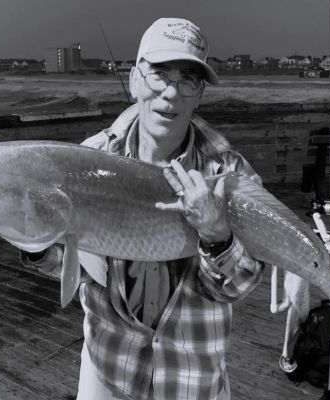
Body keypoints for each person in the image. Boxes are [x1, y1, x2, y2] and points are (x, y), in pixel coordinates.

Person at [21, 17, 264, 400]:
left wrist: (218, 236)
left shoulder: (228, 174)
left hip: (192, 378)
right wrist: (35, 241)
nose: (171, 93)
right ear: (135, 80)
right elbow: (78, 269)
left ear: (200, 93)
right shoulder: (90, 159)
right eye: (159, 75)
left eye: (188, 80)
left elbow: (241, 285)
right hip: (110, 365)